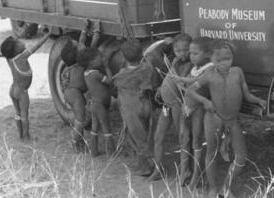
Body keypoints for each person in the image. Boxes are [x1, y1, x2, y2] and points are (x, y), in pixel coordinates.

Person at [186, 40, 266, 198]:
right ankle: (213, 187)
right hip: (213, 117)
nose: (224, 63)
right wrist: (205, 101)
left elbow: (246, 94)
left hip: (232, 120)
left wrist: (258, 100)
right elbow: (190, 90)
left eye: (227, 59)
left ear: (233, 58)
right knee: (211, 153)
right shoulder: (209, 74)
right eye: (219, 60)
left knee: (241, 156)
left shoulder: (238, 72)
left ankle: (226, 187)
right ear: (212, 60)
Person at [148, 33, 193, 181]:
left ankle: (185, 170)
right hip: (166, 105)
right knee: (158, 137)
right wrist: (161, 88)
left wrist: (174, 70)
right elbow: (169, 76)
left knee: (183, 136)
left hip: (177, 105)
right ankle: (157, 168)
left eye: (186, 50)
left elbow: (179, 81)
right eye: (178, 50)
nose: (182, 53)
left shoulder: (189, 64)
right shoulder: (174, 60)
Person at [170, 37, 213, 187]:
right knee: (184, 138)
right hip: (186, 108)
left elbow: (194, 83)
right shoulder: (193, 68)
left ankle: (196, 174)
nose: (191, 56)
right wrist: (180, 84)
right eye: (191, 53)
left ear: (207, 54)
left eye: (195, 53)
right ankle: (184, 171)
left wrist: (180, 79)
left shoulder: (209, 68)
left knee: (196, 140)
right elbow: (187, 87)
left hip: (197, 110)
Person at [113, 38, 160, 176]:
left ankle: (145, 167)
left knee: (137, 138)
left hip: (132, 109)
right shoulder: (147, 68)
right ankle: (150, 164)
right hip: (145, 104)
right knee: (148, 135)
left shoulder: (121, 75)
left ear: (124, 57)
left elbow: (114, 83)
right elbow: (153, 84)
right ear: (141, 55)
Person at [0, 31, 51, 141]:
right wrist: (48, 34)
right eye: (19, 43)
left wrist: (2, 54)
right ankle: (26, 136)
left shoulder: (9, 59)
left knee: (18, 113)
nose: (22, 42)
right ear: (16, 50)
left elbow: (5, 54)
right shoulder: (22, 57)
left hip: (13, 90)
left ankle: (20, 134)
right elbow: (37, 46)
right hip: (22, 92)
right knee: (24, 115)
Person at [79, 46, 115, 157]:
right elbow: (109, 81)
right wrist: (107, 66)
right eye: (100, 57)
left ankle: (94, 152)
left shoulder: (86, 73)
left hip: (93, 104)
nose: (102, 58)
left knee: (94, 128)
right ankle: (111, 152)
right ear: (92, 62)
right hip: (99, 105)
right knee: (106, 128)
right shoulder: (96, 74)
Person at [61, 31, 88, 151]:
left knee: (78, 118)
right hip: (75, 94)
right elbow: (87, 48)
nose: (81, 43)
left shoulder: (72, 66)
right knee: (80, 120)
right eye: (78, 44)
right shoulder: (81, 65)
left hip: (70, 93)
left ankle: (79, 141)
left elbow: (81, 44)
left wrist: (84, 31)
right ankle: (74, 142)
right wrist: (96, 37)